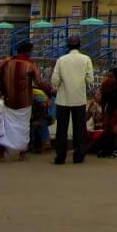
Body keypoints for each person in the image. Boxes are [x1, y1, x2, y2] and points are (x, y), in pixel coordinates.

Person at [0, 41, 53, 162]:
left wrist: (4, 94)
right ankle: (22, 154)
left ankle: (1, 154)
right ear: (28, 52)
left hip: (9, 100)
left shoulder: (7, 63)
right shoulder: (30, 65)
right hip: (24, 102)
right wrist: (50, 92)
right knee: (23, 127)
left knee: (5, 127)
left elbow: (0, 81)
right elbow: (39, 82)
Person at [51, 35, 95, 165]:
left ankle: (60, 157)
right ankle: (79, 156)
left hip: (63, 100)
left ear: (68, 46)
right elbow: (90, 80)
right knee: (79, 129)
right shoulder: (86, 59)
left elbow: (55, 81)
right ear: (79, 45)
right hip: (79, 99)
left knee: (61, 129)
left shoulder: (61, 60)